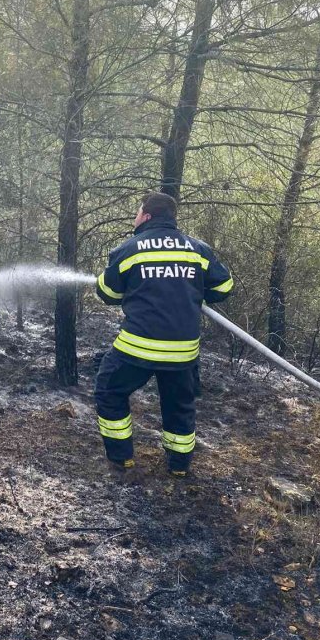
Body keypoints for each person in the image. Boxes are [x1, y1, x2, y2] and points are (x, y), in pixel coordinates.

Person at [94, 191, 233, 477]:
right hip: (183, 351)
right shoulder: (198, 250)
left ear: (146, 215)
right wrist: (193, 289)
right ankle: (179, 466)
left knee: (109, 390)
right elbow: (223, 288)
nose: (135, 217)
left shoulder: (129, 249)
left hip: (137, 348)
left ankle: (122, 459)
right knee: (179, 405)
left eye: (137, 212)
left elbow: (108, 292)